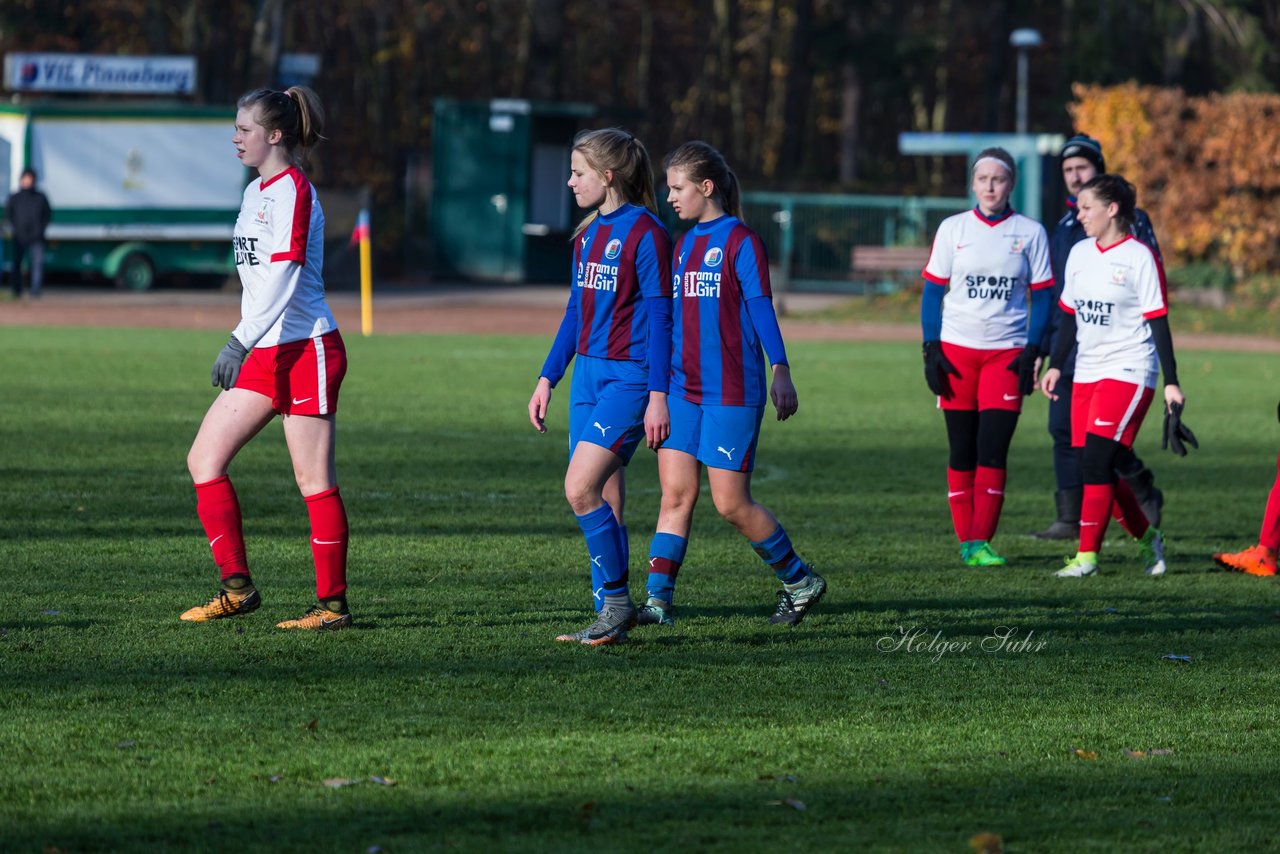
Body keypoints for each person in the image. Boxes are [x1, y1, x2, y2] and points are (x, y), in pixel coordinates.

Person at [180, 86, 353, 630]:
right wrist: (249, 339)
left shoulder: (294, 190)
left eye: (244, 129)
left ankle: (331, 607)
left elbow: (284, 275)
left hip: (306, 349)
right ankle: (237, 589)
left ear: (274, 135)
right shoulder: (255, 191)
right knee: (204, 460)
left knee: (313, 481)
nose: (235, 138)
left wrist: (238, 339)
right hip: (264, 350)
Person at [634, 140, 825, 629]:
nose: (670, 197)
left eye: (678, 188)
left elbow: (761, 307)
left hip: (733, 392)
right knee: (675, 495)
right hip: (682, 390)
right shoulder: (681, 245)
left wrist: (781, 369)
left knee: (731, 503)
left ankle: (800, 581)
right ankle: (657, 603)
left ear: (706, 186)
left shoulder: (741, 241)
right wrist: (658, 391)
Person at [527, 128, 672, 646]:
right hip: (586, 376)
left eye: (578, 172)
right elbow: (575, 311)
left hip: (629, 378)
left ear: (607, 177)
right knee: (604, 502)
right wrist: (549, 376)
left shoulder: (647, 232)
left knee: (578, 488)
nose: (569, 181)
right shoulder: (588, 233)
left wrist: (657, 396)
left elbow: (661, 317)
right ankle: (607, 619)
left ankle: (616, 606)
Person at [1039, 173, 1184, 578]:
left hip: (1130, 370)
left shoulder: (1140, 257)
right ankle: (1148, 538)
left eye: (1087, 208)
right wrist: (1055, 366)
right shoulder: (1081, 253)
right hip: (1086, 371)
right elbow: (1068, 315)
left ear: (1112, 209)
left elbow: (1158, 321)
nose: (1080, 214)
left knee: (1095, 464)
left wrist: (1171, 381)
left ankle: (1086, 558)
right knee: (1096, 464)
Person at [919, 147, 1052, 567]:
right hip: (957, 354)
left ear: (1011, 183)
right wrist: (930, 346)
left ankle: (981, 542)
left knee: (993, 450)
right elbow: (932, 291)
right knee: (961, 451)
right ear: (973, 184)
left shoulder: (1031, 232)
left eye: (998, 179)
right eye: (983, 179)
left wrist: (1033, 347)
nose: (990, 186)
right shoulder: (953, 229)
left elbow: (1044, 297)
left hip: (1006, 356)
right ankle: (967, 542)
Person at [1034, 134, 1165, 540]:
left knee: (1102, 446)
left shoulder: (1130, 221)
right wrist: (1045, 351)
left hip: (1116, 350)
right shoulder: (1063, 226)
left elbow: (1147, 283)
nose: (1074, 177)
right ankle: (1070, 517)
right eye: (1068, 171)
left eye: (1082, 169)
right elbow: (1061, 298)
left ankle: (1139, 487)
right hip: (1071, 347)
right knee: (1063, 432)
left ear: (1099, 170)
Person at [6, 168, 52, 299]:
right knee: (17, 264)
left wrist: (40, 229)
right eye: (26, 178)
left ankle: (35, 291)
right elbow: (9, 215)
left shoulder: (40, 197)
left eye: (30, 178)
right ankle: (16, 291)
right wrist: (16, 229)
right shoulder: (15, 197)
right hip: (19, 237)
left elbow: (47, 215)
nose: (28, 181)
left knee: (37, 265)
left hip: (37, 237)